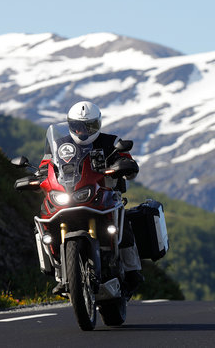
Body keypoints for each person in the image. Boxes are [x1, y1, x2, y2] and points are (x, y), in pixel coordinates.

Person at [51, 101, 143, 295]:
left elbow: (127, 161)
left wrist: (124, 165)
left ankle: (132, 270)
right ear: (70, 124)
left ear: (97, 125)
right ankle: (61, 272)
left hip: (105, 195)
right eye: (77, 126)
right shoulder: (60, 144)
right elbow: (48, 164)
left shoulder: (111, 142)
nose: (82, 131)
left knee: (123, 226)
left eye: (88, 126)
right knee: (46, 223)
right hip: (71, 196)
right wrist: (40, 175)